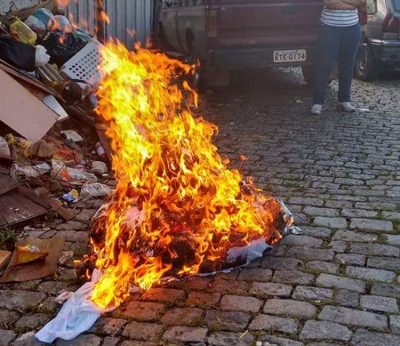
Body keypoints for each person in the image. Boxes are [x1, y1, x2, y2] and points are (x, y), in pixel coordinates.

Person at [311, 0, 367, 115]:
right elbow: (330, 2)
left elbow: (363, 3)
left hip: (352, 28)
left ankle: (344, 100)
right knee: (324, 65)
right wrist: (352, 4)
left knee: (347, 65)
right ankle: (318, 102)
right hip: (329, 28)